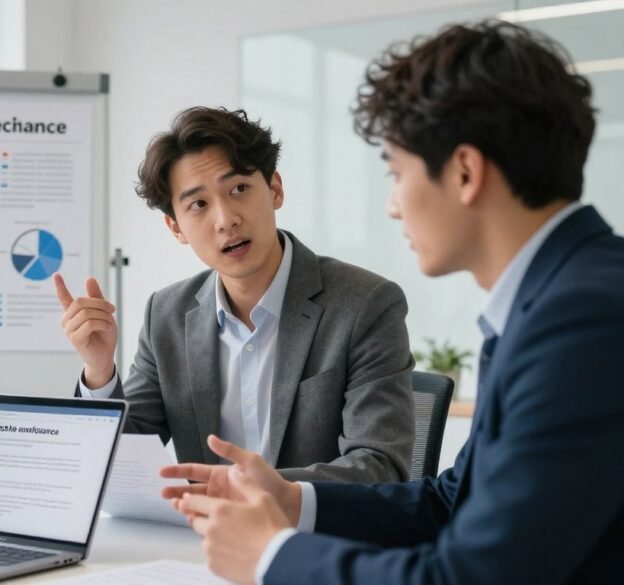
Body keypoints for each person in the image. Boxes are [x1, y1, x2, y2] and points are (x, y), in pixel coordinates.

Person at [164, 20, 624, 585]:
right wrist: (291, 501)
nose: (392, 206)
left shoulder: (583, 321)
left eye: (396, 172)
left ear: (463, 171)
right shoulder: (556, 299)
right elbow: (452, 503)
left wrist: (270, 557)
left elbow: (474, 578)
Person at [55, 106, 414, 482]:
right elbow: (122, 462)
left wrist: (251, 491)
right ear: (176, 227)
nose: (226, 219)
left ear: (275, 189)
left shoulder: (366, 304)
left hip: (312, 535)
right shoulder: (166, 314)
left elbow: (380, 465)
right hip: (199, 538)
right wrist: (99, 372)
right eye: (199, 204)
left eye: (239, 189)